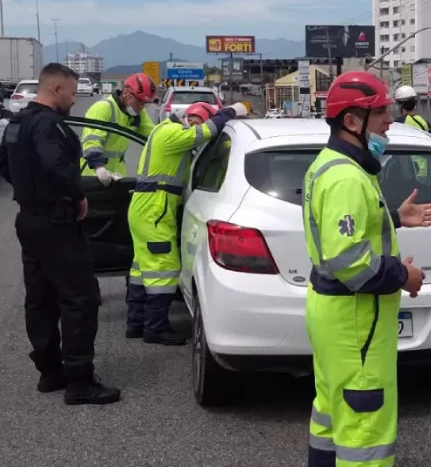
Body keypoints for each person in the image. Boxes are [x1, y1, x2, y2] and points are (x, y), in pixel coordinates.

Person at [302, 70, 431, 467]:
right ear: (351, 121)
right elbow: (350, 263)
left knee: (332, 422)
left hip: (336, 320)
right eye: (379, 111)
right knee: (364, 437)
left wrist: (397, 219)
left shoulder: (331, 166)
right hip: (356, 322)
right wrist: (405, 275)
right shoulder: (345, 176)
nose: (388, 119)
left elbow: (344, 236)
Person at [0, 63, 121, 405]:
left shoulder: (17, 123)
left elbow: (4, 162)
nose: (74, 97)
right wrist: (79, 196)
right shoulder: (49, 124)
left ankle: (50, 372)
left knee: (40, 298)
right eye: (71, 91)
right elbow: (56, 166)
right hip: (57, 222)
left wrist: (27, 190)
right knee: (79, 299)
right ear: (56, 90)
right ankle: (80, 382)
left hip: (29, 221)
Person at [125, 101, 248, 345]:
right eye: (198, 122)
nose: (197, 130)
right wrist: (232, 111)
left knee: (142, 267)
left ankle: (136, 323)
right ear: (193, 118)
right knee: (164, 267)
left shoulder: (164, 131)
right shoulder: (172, 133)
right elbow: (205, 132)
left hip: (146, 207)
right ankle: (156, 328)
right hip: (155, 209)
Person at [81, 72, 157, 306]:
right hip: (92, 180)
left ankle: (132, 288)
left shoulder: (135, 113)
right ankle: (88, 288)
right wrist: (99, 168)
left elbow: (153, 135)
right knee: (89, 237)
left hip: (116, 180)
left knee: (124, 233)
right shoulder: (103, 109)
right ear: (126, 93)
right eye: (139, 101)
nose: (142, 106)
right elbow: (91, 141)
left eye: (145, 103)